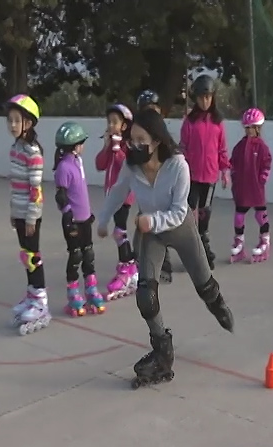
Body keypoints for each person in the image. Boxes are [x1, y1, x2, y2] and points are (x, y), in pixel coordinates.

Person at [96, 108, 235, 389]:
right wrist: (102, 220)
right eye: (130, 139)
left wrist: (152, 219)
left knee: (204, 284)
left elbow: (179, 210)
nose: (133, 145)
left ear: (157, 140)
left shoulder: (177, 166)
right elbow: (118, 191)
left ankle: (218, 304)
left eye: (140, 139)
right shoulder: (132, 165)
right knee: (146, 294)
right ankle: (162, 351)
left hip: (179, 228)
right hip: (150, 234)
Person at [5, 94, 51, 335]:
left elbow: (36, 190)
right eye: (10, 120)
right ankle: (31, 294)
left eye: (17, 121)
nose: (12, 125)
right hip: (20, 212)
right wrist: (14, 213)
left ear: (29, 123)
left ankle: (41, 301)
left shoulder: (32, 151)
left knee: (33, 256)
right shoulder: (16, 148)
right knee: (26, 255)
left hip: (31, 214)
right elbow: (16, 186)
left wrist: (32, 217)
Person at [54, 121, 107, 316]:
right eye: (81, 143)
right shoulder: (64, 167)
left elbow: (81, 192)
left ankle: (91, 289)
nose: (83, 146)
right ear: (74, 145)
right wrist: (68, 214)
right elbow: (61, 196)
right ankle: (73, 293)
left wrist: (87, 213)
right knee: (75, 255)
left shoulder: (78, 162)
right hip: (72, 221)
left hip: (85, 219)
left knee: (88, 254)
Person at [180, 74, 231, 269]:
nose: (205, 101)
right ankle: (192, 247)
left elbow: (222, 150)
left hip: (210, 176)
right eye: (202, 97)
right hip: (192, 176)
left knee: (205, 211)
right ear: (196, 98)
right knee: (190, 210)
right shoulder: (189, 122)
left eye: (208, 97)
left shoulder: (218, 123)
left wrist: (225, 171)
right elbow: (183, 147)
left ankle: (204, 241)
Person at [95, 104, 138, 301]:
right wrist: (107, 148)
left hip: (124, 195)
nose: (111, 126)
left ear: (124, 126)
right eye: (109, 122)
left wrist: (117, 148)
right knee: (118, 231)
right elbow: (99, 165)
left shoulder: (127, 145)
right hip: (111, 194)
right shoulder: (112, 145)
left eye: (115, 122)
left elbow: (126, 166)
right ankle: (129, 266)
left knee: (119, 230)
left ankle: (127, 268)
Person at [135, 89, 174, 284]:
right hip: (145, 187)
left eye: (154, 110)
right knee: (144, 226)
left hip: (163, 185)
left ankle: (164, 266)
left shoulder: (164, 134)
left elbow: (174, 155)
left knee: (162, 225)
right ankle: (141, 264)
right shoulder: (138, 135)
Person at [229, 107, 272, 263]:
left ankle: (265, 241)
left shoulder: (261, 146)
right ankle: (239, 242)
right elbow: (232, 162)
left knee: (261, 215)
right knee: (239, 216)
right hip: (242, 187)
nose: (248, 131)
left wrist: (263, 178)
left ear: (258, 128)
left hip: (256, 188)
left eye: (252, 128)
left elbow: (267, 162)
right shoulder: (240, 146)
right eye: (246, 128)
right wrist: (233, 175)